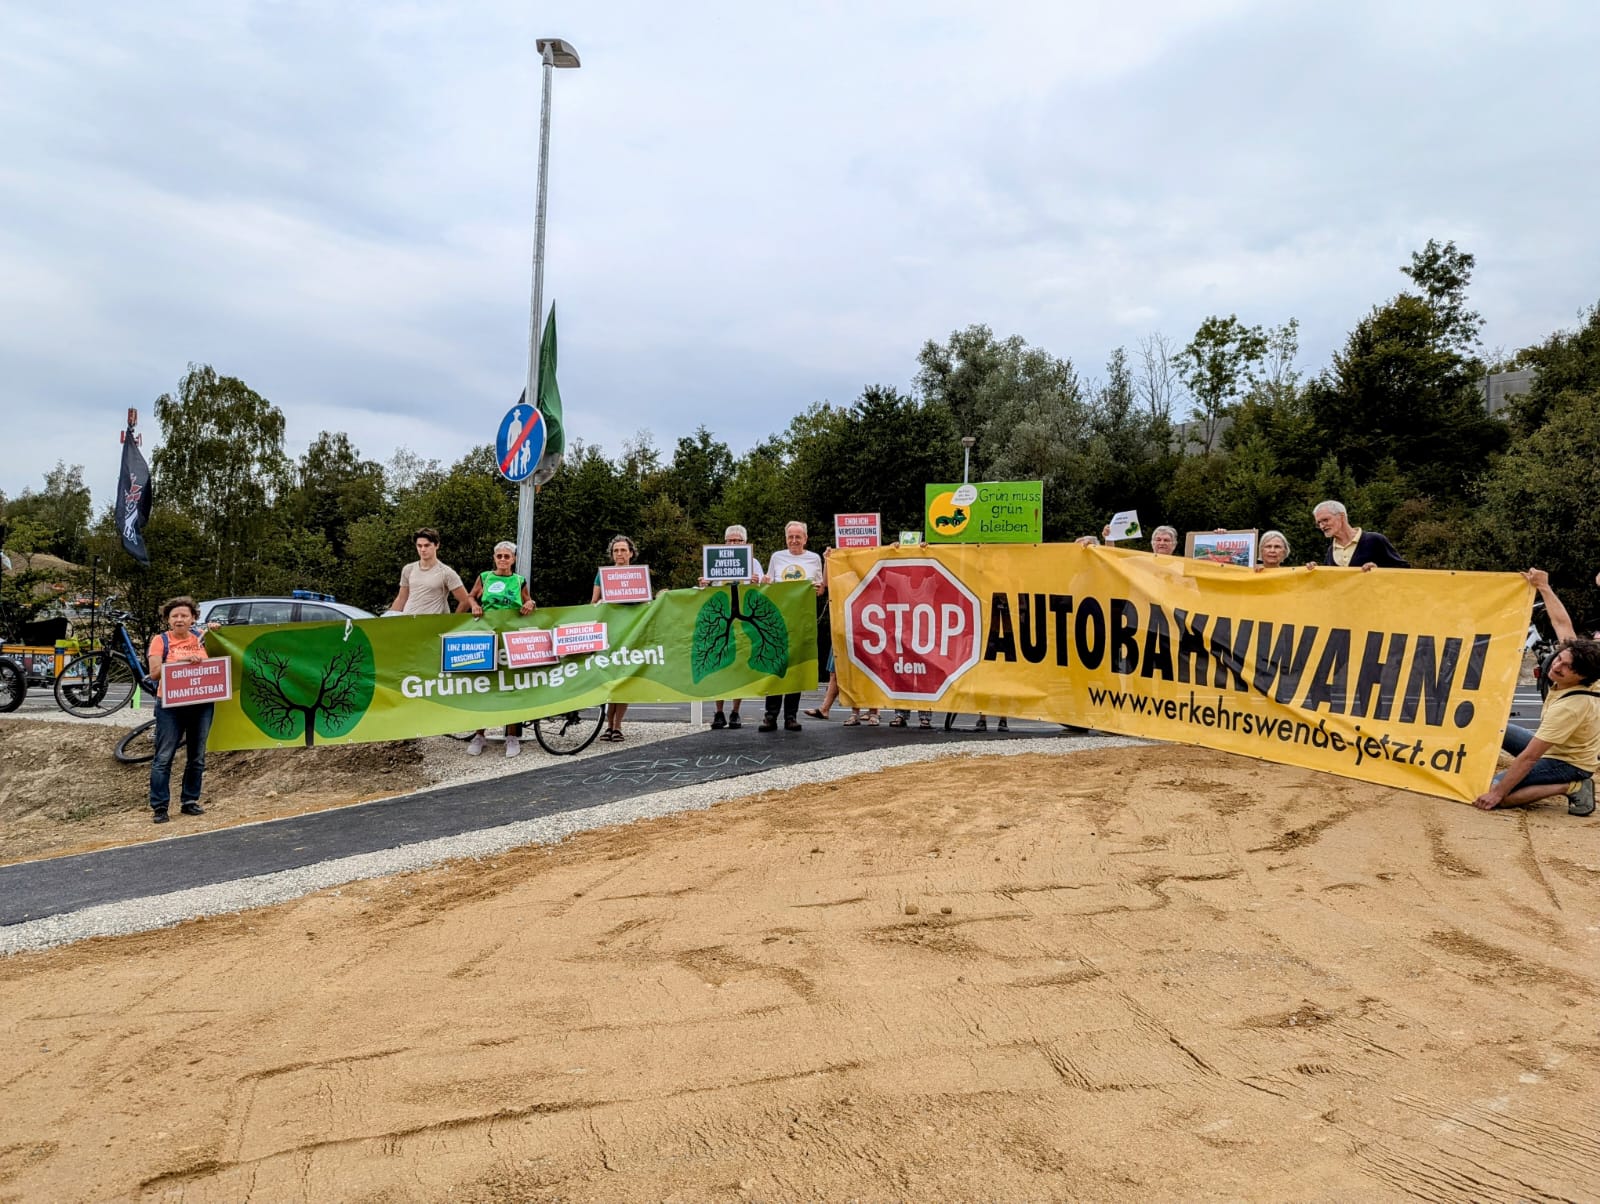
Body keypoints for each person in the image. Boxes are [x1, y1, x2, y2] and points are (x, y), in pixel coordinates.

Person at [1474, 569, 1599, 816]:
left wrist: (1496, 794)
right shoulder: (1580, 660)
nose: (1557, 667)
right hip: (1553, 747)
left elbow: (1530, 757)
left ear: (1582, 677)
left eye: (1566, 668)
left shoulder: (1571, 707)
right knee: (1492, 726)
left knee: (1497, 792)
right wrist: (1543, 585)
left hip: (1568, 763)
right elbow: (1562, 624)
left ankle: (1572, 786)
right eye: (1560, 659)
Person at [147, 596, 221, 824]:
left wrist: (218, 631)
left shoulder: (202, 637)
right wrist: (181, 663)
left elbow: (227, 646)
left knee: (197, 756)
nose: (179, 619)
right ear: (168, 620)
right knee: (164, 757)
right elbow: (154, 673)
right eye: (174, 616)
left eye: (184, 616)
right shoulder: (160, 641)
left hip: (201, 704)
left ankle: (190, 801)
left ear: (193, 619)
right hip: (170, 706)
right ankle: (160, 806)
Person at [463, 541, 535, 758]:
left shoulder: (519, 580)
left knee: (510, 686)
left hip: (511, 639)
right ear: (494, 558)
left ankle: (511, 736)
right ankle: (479, 734)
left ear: (513, 559)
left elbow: (528, 601)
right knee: (484, 684)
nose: (503, 560)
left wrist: (530, 604)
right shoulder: (485, 577)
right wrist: (474, 605)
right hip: (486, 636)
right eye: (499, 556)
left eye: (507, 556)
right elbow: (471, 595)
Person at [759, 521, 825, 732]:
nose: (794, 540)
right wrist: (766, 582)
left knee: (796, 669)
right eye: (790, 537)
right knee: (776, 667)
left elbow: (820, 588)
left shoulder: (814, 559)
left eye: (798, 537)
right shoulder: (777, 557)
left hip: (801, 622)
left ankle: (791, 716)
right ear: (785, 538)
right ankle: (770, 716)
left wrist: (817, 590)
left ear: (805, 538)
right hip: (778, 621)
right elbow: (769, 583)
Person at [699, 525, 763, 730]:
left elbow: (764, 588)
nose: (733, 544)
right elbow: (707, 589)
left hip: (743, 619)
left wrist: (757, 581)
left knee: (739, 668)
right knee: (719, 667)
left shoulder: (753, 562)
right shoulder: (714, 559)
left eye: (737, 541)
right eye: (730, 541)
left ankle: (735, 712)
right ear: (724, 542)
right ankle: (718, 712)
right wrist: (704, 584)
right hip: (720, 618)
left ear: (745, 543)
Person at [593, 534, 644, 742]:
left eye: (623, 550)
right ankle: (607, 725)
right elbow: (593, 602)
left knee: (625, 678)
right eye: (616, 551)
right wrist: (603, 602)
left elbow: (644, 603)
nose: (620, 554)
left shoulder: (638, 574)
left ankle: (617, 725)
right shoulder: (602, 575)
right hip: (610, 632)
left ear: (631, 553)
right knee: (610, 678)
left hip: (630, 632)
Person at [391, 528, 482, 616]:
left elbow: (465, 600)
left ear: (436, 545)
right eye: (419, 546)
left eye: (427, 545)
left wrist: (452, 622)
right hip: (409, 622)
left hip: (434, 624)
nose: (423, 549)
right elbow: (401, 599)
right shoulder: (408, 569)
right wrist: (387, 620)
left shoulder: (446, 573)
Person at [1309, 501, 1407, 570]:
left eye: (1325, 520)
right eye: (1319, 523)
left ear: (1341, 516)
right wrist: (1316, 571)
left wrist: (1378, 570)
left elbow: (1404, 570)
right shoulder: (1331, 550)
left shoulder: (1374, 540)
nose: (1322, 526)